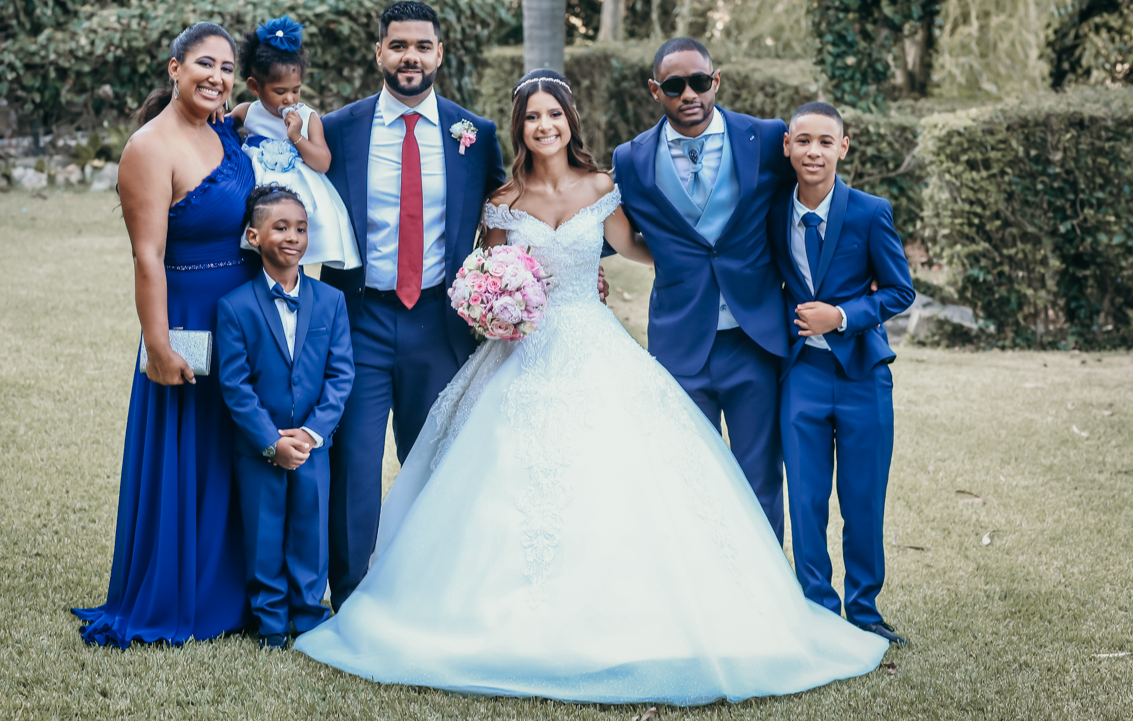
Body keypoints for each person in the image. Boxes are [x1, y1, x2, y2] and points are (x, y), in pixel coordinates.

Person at [293, 71, 889, 705]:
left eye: (554, 114)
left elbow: (648, 250)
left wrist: (715, 266)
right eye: (532, 117)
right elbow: (487, 272)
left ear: (570, 121)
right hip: (519, 356)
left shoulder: (603, 188)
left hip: (593, 345)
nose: (544, 126)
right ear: (519, 127)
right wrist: (494, 304)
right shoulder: (503, 200)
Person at [317, 1, 507, 609]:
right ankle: (351, 598)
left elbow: (510, 210)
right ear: (379, 52)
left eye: (422, 46)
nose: (410, 57)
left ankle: (429, 595)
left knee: (435, 461)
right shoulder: (338, 128)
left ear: (439, 54)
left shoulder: (473, 133)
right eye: (398, 45)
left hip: (440, 321)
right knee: (354, 463)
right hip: (358, 319)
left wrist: (562, 265)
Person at [73, 22, 255, 646]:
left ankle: (239, 588)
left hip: (242, 314)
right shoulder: (149, 147)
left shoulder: (223, 131)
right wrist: (158, 345)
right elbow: (147, 256)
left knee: (234, 447)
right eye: (205, 64)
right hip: (189, 317)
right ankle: (184, 594)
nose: (217, 77)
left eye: (227, 68)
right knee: (192, 452)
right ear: (174, 68)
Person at [610, 38, 794, 543]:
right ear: (655, 90)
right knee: (688, 477)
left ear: (716, 81)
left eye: (698, 82)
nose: (688, 94)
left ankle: (764, 583)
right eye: (674, 86)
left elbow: (807, 203)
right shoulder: (630, 160)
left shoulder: (765, 138)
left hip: (754, 337)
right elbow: (601, 231)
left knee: (760, 476)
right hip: (679, 341)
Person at [767, 102, 915, 646]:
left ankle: (865, 609)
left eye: (825, 142)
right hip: (801, 373)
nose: (814, 152)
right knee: (806, 499)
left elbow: (900, 290)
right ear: (787, 146)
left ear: (843, 148)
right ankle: (818, 607)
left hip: (862, 376)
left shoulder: (870, 212)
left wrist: (843, 316)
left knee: (862, 498)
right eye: (803, 141)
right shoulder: (771, 211)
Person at [216, 185, 355, 651]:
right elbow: (235, 385)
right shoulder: (234, 306)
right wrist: (270, 441)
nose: (293, 237)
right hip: (260, 447)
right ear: (254, 236)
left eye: (301, 228)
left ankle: (311, 616)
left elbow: (341, 374)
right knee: (264, 534)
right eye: (280, 228)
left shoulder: (331, 301)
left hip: (313, 445)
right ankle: (271, 623)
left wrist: (313, 433)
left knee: (311, 532)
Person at [231, 16, 360, 270]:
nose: (290, 99)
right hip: (259, 193)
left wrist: (297, 137)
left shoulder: (308, 116)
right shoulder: (247, 112)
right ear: (255, 86)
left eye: (296, 90)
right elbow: (220, 130)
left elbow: (322, 162)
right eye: (280, 92)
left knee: (293, 249)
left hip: (299, 197)